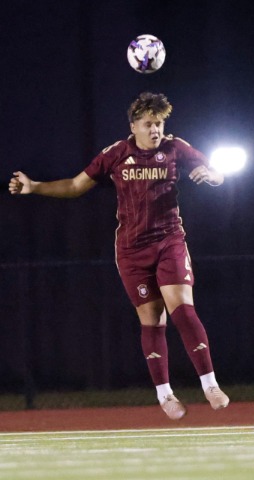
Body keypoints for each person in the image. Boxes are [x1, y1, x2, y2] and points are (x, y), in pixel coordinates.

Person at [8, 92, 229, 420]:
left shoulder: (175, 148)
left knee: (183, 310)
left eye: (159, 123)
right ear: (133, 126)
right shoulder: (117, 153)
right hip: (131, 250)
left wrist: (212, 177)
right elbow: (75, 186)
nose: (155, 130)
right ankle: (165, 394)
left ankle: (210, 384)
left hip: (169, 241)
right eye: (149, 124)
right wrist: (34, 186)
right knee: (152, 320)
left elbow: (216, 172)